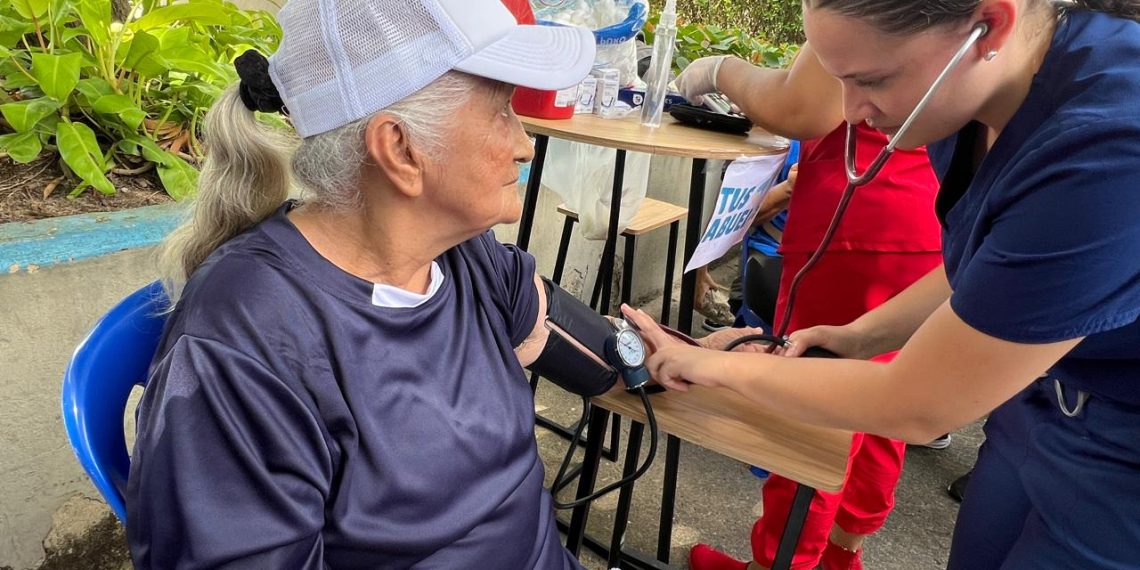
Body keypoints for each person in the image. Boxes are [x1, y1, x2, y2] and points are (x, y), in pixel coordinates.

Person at [627, 1, 1140, 568]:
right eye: (840, 78)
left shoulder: (1108, 150)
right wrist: (859, 336)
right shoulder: (978, 98)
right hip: (1048, 395)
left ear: (989, 25)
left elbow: (919, 405)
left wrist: (712, 366)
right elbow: (993, 260)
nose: (851, 111)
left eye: (872, 80)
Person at [123, 0, 621, 567]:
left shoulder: (463, 255)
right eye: (501, 112)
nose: (524, 144)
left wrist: (674, 362)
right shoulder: (246, 341)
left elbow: (564, 330)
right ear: (401, 149)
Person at [674, 40, 945, 570]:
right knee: (880, 399)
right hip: (922, 215)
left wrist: (719, 69)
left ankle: (780, 561)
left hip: (853, 217)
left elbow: (799, 107)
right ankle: (843, 553)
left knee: (807, 401)